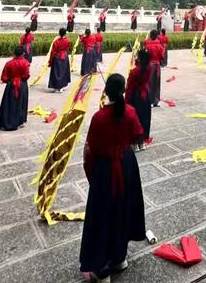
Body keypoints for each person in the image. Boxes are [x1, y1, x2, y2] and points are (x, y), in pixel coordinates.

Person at [80, 74, 146, 282]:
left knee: (102, 215)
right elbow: (138, 136)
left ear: (106, 91)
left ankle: (101, 268)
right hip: (126, 166)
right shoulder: (130, 112)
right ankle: (119, 257)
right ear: (123, 91)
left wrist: (93, 175)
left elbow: (92, 150)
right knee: (122, 209)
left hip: (105, 170)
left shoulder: (99, 117)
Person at [0, 46, 30, 131]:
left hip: (11, 85)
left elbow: (4, 77)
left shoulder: (9, 63)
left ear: (14, 53)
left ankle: (6, 122)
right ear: (23, 53)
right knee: (21, 103)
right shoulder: (26, 63)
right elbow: (26, 75)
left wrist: (7, 80)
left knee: (9, 104)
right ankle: (20, 121)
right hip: (21, 85)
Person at [126, 49, 153, 150]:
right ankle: (142, 142)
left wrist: (126, 100)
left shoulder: (134, 72)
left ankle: (135, 143)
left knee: (135, 119)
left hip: (136, 96)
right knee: (144, 118)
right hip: (146, 94)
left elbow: (130, 87)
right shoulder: (149, 67)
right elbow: (143, 68)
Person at [144, 29, 165, 107]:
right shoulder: (159, 45)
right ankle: (156, 100)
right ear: (156, 36)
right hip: (156, 65)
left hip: (148, 66)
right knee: (156, 83)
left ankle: (150, 101)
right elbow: (162, 56)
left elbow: (144, 55)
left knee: (149, 83)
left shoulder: (146, 44)